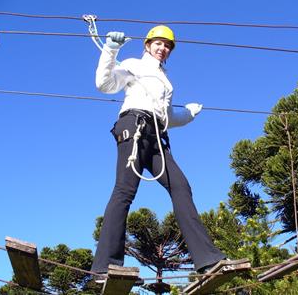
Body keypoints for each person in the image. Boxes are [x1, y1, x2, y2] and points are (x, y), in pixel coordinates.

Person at [91, 25, 226, 276]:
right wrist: (110, 49)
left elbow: (166, 116)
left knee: (181, 186)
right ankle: (104, 266)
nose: (163, 49)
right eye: (158, 43)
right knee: (125, 189)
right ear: (147, 45)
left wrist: (189, 114)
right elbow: (105, 83)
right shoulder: (134, 64)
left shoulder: (165, 79)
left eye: (167, 46)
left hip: (157, 136)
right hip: (135, 126)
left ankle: (207, 259)